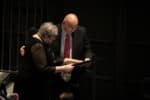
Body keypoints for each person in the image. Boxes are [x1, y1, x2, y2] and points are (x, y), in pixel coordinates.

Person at [14, 22, 81, 100]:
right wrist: (64, 68)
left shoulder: (40, 40)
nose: (53, 40)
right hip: (30, 86)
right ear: (46, 36)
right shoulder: (38, 46)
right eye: (52, 38)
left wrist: (76, 61)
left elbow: (53, 59)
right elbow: (43, 69)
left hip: (33, 84)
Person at [51, 13, 94, 100]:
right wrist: (64, 60)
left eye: (75, 27)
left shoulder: (81, 31)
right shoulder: (53, 31)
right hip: (57, 70)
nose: (74, 29)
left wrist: (87, 58)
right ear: (63, 23)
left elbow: (88, 49)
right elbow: (49, 52)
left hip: (75, 72)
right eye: (71, 26)